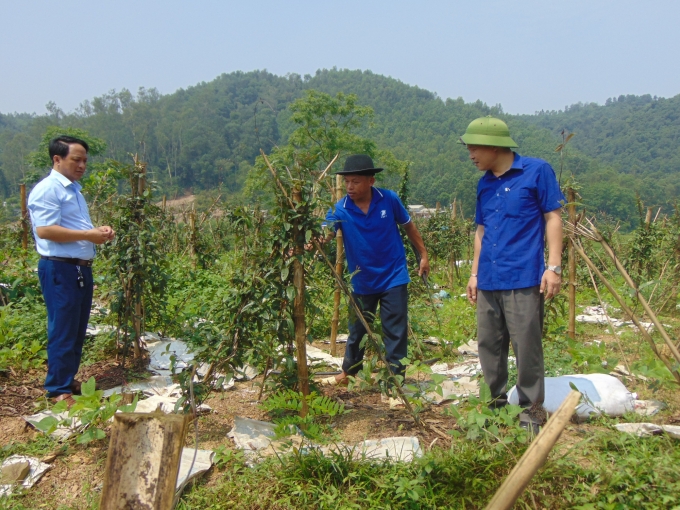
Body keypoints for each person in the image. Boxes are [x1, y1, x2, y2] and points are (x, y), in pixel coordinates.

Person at [461, 116, 564, 433]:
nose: (471, 155)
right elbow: (481, 229)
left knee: (527, 348)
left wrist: (554, 266)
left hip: (523, 277)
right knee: (489, 347)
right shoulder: (484, 183)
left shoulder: (536, 171)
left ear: (494, 146)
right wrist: (474, 273)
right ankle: (495, 410)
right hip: (489, 279)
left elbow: (553, 218)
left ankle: (532, 415)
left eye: (474, 147)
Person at [321, 155, 429, 406]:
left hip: (393, 275)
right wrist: (308, 242)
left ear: (371, 181)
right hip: (362, 280)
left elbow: (409, 228)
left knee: (395, 331)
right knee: (357, 330)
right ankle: (348, 373)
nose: (349, 186)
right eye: (347, 181)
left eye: (355, 181)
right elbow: (324, 234)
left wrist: (423, 255)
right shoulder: (341, 209)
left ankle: (394, 382)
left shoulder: (388, 199)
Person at [28, 136, 115, 405]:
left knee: (77, 328)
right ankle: (57, 389)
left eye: (85, 160)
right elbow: (45, 230)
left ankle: (66, 378)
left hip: (78, 269)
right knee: (63, 329)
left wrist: (96, 232)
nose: (81, 165)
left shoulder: (73, 190)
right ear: (57, 159)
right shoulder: (48, 190)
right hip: (60, 268)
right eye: (75, 159)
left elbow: (74, 228)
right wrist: (88, 235)